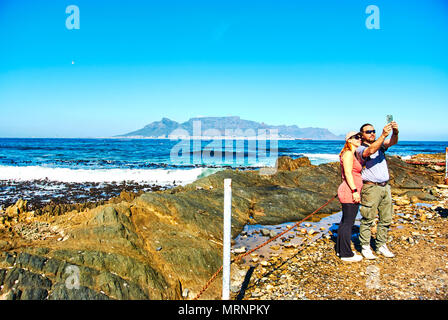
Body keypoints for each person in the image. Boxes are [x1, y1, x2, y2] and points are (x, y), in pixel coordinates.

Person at [356, 121, 399, 259]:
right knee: (368, 218)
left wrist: (395, 132)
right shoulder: (360, 149)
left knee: (386, 218)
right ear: (361, 135)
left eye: (373, 131)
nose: (372, 133)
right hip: (371, 187)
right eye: (368, 132)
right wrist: (382, 135)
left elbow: (392, 142)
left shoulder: (380, 145)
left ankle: (381, 245)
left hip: (385, 186)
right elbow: (370, 151)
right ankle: (365, 246)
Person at [335, 131, 363, 262]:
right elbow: (347, 173)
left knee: (345, 221)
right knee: (348, 223)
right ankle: (346, 254)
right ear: (349, 140)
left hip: (350, 190)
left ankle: (341, 250)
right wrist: (355, 190)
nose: (359, 139)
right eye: (356, 137)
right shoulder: (347, 154)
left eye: (360, 137)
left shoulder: (353, 154)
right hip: (349, 191)